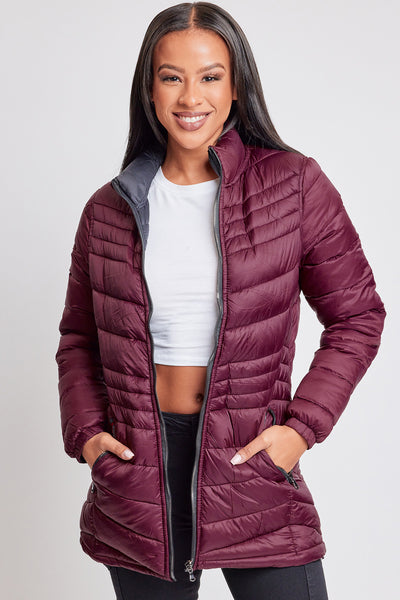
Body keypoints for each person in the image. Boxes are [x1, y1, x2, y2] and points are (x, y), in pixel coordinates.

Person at [55, 2, 386, 599]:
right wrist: (87, 433)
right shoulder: (108, 208)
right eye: (171, 77)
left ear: (236, 87)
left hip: (250, 458)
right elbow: (78, 338)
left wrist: (300, 430)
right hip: (139, 468)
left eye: (210, 76)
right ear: (149, 88)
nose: (190, 97)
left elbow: (358, 316)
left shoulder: (295, 185)